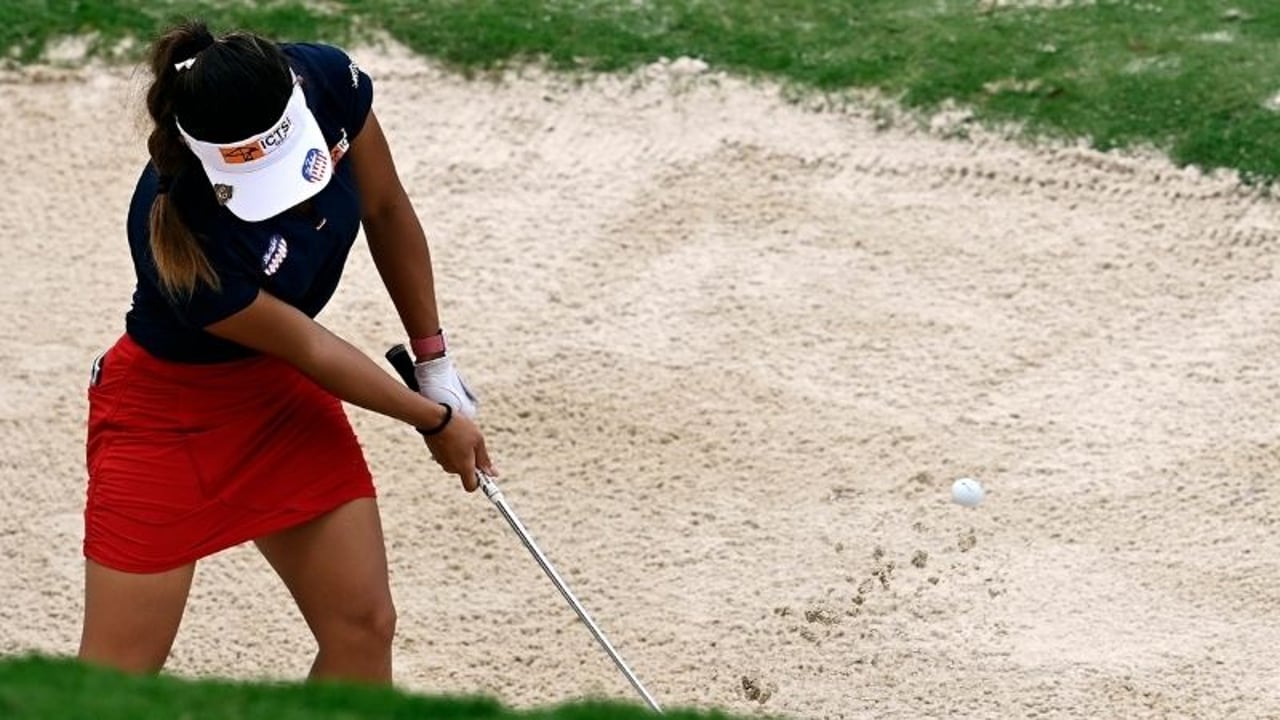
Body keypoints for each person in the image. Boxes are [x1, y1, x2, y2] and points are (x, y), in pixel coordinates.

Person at [79, 19, 495, 684]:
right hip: (165, 420)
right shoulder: (176, 228)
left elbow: (386, 208)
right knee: (116, 680)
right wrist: (435, 420)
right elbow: (310, 347)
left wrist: (434, 362)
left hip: (274, 400)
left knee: (364, 626)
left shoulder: (326, 79)